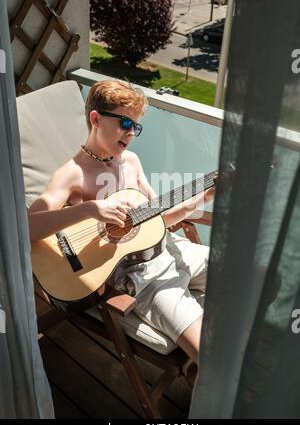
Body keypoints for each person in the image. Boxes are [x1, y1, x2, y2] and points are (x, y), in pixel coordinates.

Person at [28, 80, 215, 381]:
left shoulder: (131, 162)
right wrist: (90, 209)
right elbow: (25, 229)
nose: (131, 133)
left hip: (172, 250)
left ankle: (198, 363)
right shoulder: (71, 174)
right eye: (125, 123)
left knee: (261, 275)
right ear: (96, 118)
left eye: (136, 127)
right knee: (214, 357)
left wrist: (201, 198)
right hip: (142, 280)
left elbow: (159, 218)